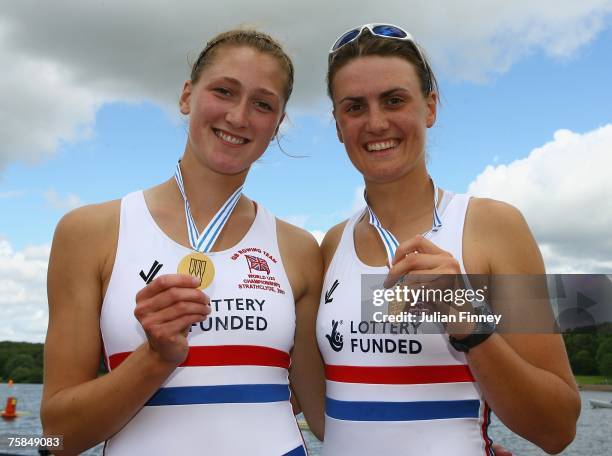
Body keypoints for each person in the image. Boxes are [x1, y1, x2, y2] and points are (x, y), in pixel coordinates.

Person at [41, 29, 324, 455]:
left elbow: (322, 410)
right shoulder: (89, 232)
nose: (239, 117)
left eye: (262, 104)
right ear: (187, 96)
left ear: (277, 123)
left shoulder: (300, 249)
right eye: (224, 91)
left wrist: (461, 327)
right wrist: (155, 357)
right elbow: (55, 438)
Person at [314, 23, 580, 455]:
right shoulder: (331, 245)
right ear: (339, 125)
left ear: (430, 107)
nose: (376, 122)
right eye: (355, 107)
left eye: (395, 100)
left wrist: (471, 324)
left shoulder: (494, 226)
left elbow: (557, 430)